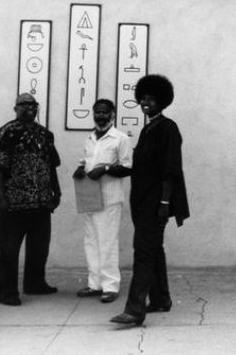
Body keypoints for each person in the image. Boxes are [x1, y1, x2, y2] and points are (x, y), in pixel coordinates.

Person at [111, 74, 189, 326]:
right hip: (143, 202)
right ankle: (161, 299)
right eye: (143, 98)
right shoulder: (148, 128)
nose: (146, 103)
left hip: (156, 204)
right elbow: (143, 167)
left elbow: (171, 171)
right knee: (153, 250)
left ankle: (135, 310)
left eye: (152, 99)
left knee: (144, 253)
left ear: (162, 102)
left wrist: (165, 204)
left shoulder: (167, 128)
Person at [0, 93, 61, 306]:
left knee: (39, 246)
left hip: (41, 201)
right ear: (15, 108)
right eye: (23, 105)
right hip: (13, 201)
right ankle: (7, 291)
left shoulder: (45, 134)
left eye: (33, 105)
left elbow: (51, 165)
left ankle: (35, 283)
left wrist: (57, 191)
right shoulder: (7, 132)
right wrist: (0, 197)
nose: (29, 108)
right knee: (8, 249)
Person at [73, 98, 132, 304]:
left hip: (109, 197)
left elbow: (127, 167)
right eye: (97, 112)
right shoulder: (90, 137)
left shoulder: (120, 138)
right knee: (91, 240)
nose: (101, 116)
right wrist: (81, 169)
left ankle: (110, 286)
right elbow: (86, 160)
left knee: (107, 241)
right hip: (90, 195)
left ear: (113, 114)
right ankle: (94, 284)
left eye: (105, 112)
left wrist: (105, 169)